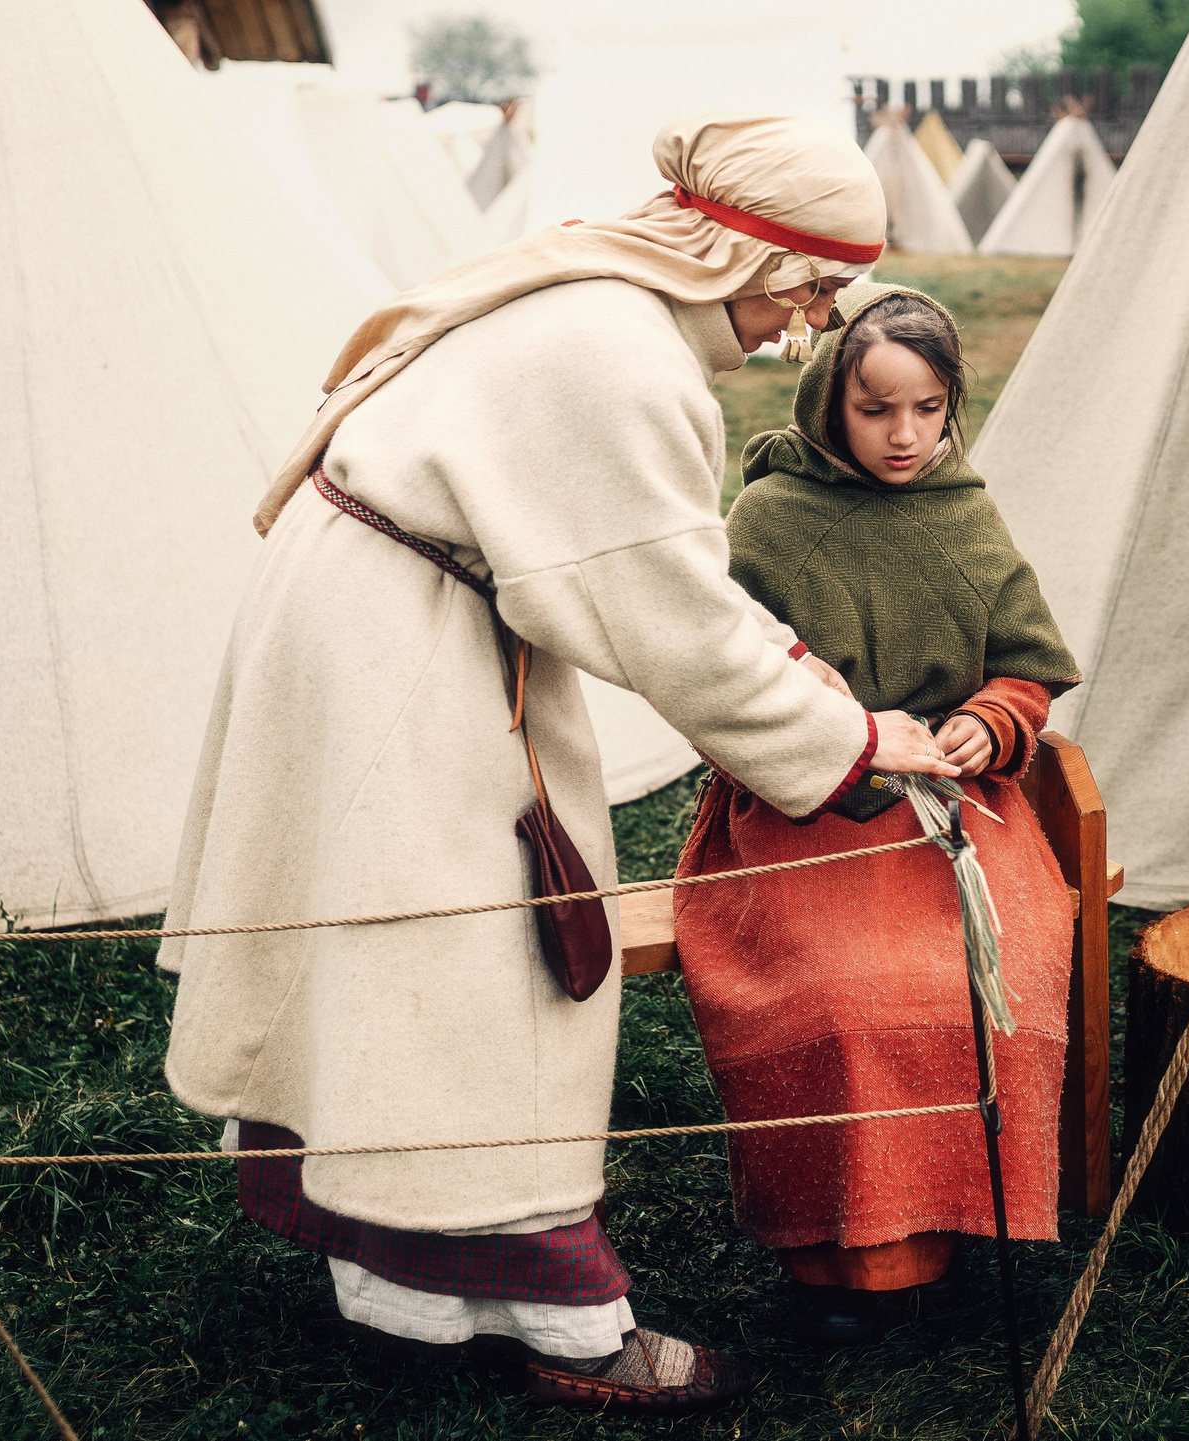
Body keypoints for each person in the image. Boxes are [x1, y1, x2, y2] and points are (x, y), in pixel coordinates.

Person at [156, 115, 964, 1416]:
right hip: (397, 648)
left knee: (411, 957)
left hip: (381, 611)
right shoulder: (624, 360)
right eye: (809, 286)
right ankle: (570, 1320)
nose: (811, 325)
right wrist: (858, 742)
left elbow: (654, 571)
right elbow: (678, 631)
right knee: (497, 970)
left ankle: (412, 1274)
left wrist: (790, 655)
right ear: (736, 249)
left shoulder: (596, 298)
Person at [672, 282, 1083, 1345]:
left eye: (927, 409)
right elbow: (724, 685)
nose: (905, 436)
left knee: (1002, 960)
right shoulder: (769, 517)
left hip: (954, 810)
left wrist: (992, 724)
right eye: (876, 409)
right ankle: (842, 1256)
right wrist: (839, 746)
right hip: (805, 809)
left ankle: (952, 1227)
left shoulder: (962, 511)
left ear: (952, 406)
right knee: (842, 991)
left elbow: (1026, 670)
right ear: (828, 403)